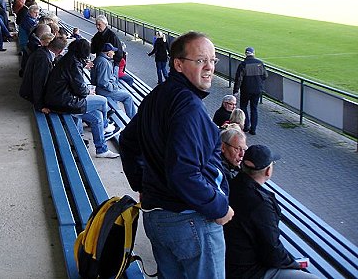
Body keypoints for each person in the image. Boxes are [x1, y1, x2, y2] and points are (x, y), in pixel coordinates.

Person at [120, 31, 234, 278]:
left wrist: (143, 184)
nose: (209, 68)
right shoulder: (190, 107)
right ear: (179, 64)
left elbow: (128, 142)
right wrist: (219, 207)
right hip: (190, 222)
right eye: (201, 60)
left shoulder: (156, 96)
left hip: (157, 218)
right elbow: (184, 173)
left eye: (213, 61)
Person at [225, 145, 319, 279]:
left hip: (230, 261)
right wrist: (294, 265)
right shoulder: (260, 204)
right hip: (248, 271)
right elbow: (272, 251)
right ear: (268, 171)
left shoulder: (232, 184)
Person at [44, 38, 118, 158]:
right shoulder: (73, 64)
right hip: (64, 102)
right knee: (102, 101)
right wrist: (89, 91)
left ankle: (101, 150)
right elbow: (80, 90)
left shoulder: (69, 58)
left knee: (97, 116)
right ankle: (105, 126)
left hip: (60, 99)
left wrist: (84, 66)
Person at [19, 35, 68, 111]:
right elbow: (38, 82)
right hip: (30, 94)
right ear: (61, 51)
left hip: (30, 91)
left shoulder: (43, 51)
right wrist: (40, 106)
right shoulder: (43, 59)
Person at [91, 43, 135, 118]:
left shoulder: (99, 59)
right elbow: (103, 82)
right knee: (128, 96)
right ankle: (133, 119)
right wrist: (113, 87)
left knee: (123, 94)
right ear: (108, 53)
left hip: (100, 89)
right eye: (112, 51)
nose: (114, 53)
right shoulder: (104, 63)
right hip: (105, 91)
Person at [234, 47, 268, 135]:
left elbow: (238, 79)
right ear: (253, 53)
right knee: (254, 108)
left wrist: (235, 91)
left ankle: (246, 126)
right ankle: (253, 129)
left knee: (244, 107)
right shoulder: (260, 63)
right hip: (257, 90)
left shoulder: (243, 64)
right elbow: (265, 75)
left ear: (245, 54)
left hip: (246, 90)